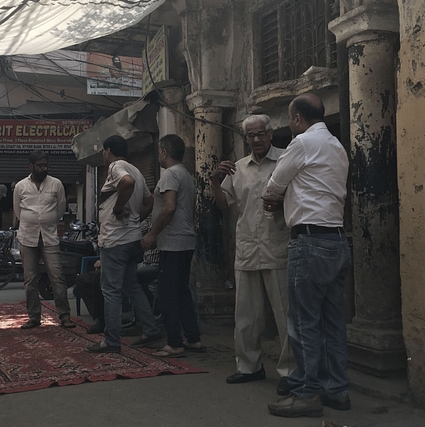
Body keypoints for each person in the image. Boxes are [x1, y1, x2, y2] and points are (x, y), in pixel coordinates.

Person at [265, 93, 350, 418]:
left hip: (310, 242)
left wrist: (276, 198)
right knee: (332, 322)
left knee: (303, 322)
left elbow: (273, 185)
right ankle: (337, 390)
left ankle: (307, 393)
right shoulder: (337, 146)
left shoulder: (301, 144)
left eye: (290, 118)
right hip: (336, 241)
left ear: (298, 118)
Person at [211, 115, 294, 387]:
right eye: (251, 136)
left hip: (277, 245)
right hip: (247, 247)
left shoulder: (286, 160)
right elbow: (224, 204)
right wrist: (215, 180)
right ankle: (248, 367)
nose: (256, 140)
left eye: (261, 134)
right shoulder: (238, 169)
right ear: (245, 139)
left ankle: (291, 373)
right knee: (246, 315)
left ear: (270, 134)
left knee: (285, 315)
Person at [85, 135, 161, 353]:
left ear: (108, 151)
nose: (102, 155)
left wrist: (118, 209)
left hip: (115, 241)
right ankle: (150, 329)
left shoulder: (117, 167)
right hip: (132, 240)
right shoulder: (136, 169)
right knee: (131, 286)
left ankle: (111, 340)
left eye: (102, 151)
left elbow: (127, 183)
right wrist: (136, 219)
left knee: (110, 290)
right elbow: (149, 201)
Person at [141, 134, 202, 358]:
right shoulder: (185, 174)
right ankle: (193, 338)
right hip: (184, 240)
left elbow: (169, 207)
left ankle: (174, 342)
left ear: (164, 152)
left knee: (166, 293)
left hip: (174, 242)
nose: (158, 155)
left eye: (159, 151)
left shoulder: (170, 175)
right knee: (181, 291)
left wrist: (152, 234)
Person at [13, 151, 76, 329]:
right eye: (40, 165)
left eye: (46, 165)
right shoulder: (20, 186)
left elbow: (60, 209)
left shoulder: (56, 184)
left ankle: (64, 316)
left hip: (49, 236)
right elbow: (18, 211)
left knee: (57, 277)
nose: (44, 168)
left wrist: (47, 222)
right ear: (31, 166)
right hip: (27, 236)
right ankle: (34, 317)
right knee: (29, 279)